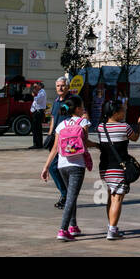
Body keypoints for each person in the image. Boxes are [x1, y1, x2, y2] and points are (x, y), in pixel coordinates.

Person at [41, 95, 96, 240]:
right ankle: (63, 230)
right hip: (77, 165)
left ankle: (73, 226)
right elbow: (85, 142)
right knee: (71, 197)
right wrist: (98, 145)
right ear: (78, 108)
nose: (84, 108)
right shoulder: (83, 122)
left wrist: (46, 167)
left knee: (72, 196)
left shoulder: (61, 125)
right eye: (82, 106)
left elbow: (54, 148)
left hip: (62, 165)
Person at [97, 98, 140, 240]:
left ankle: (111, 226)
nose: (124, 112)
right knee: (117, 199)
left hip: (105, 168)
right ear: (115, 113)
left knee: (111, 196)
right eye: (122, 110)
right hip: (119, 168)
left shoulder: (101, 127)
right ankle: (112, 230)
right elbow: (134, 138)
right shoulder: (124, 127)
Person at [45, 77, 71, 208]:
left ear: (68, 87)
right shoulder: (56, 101)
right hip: (56, 140)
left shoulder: (72, 101)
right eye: (58, 86)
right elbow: (53, 118)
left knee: (64, 168)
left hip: (68, 141)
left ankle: (67, 195)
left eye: (62, 86)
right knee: (53, 167)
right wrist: (50, 135)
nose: (60, 88)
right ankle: (65, 193)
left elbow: (81, 116)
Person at [29, 83, 49, 149]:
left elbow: (38, 101)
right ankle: (37, 144)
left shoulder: (42, 92)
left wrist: (34, 95)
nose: (34, 87)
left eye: (36, 86)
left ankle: (38, 144)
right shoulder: (39, 92)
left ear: (39, 86)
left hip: (38, 112)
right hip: (36, 112)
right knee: (36, 129)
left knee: (37, 129)